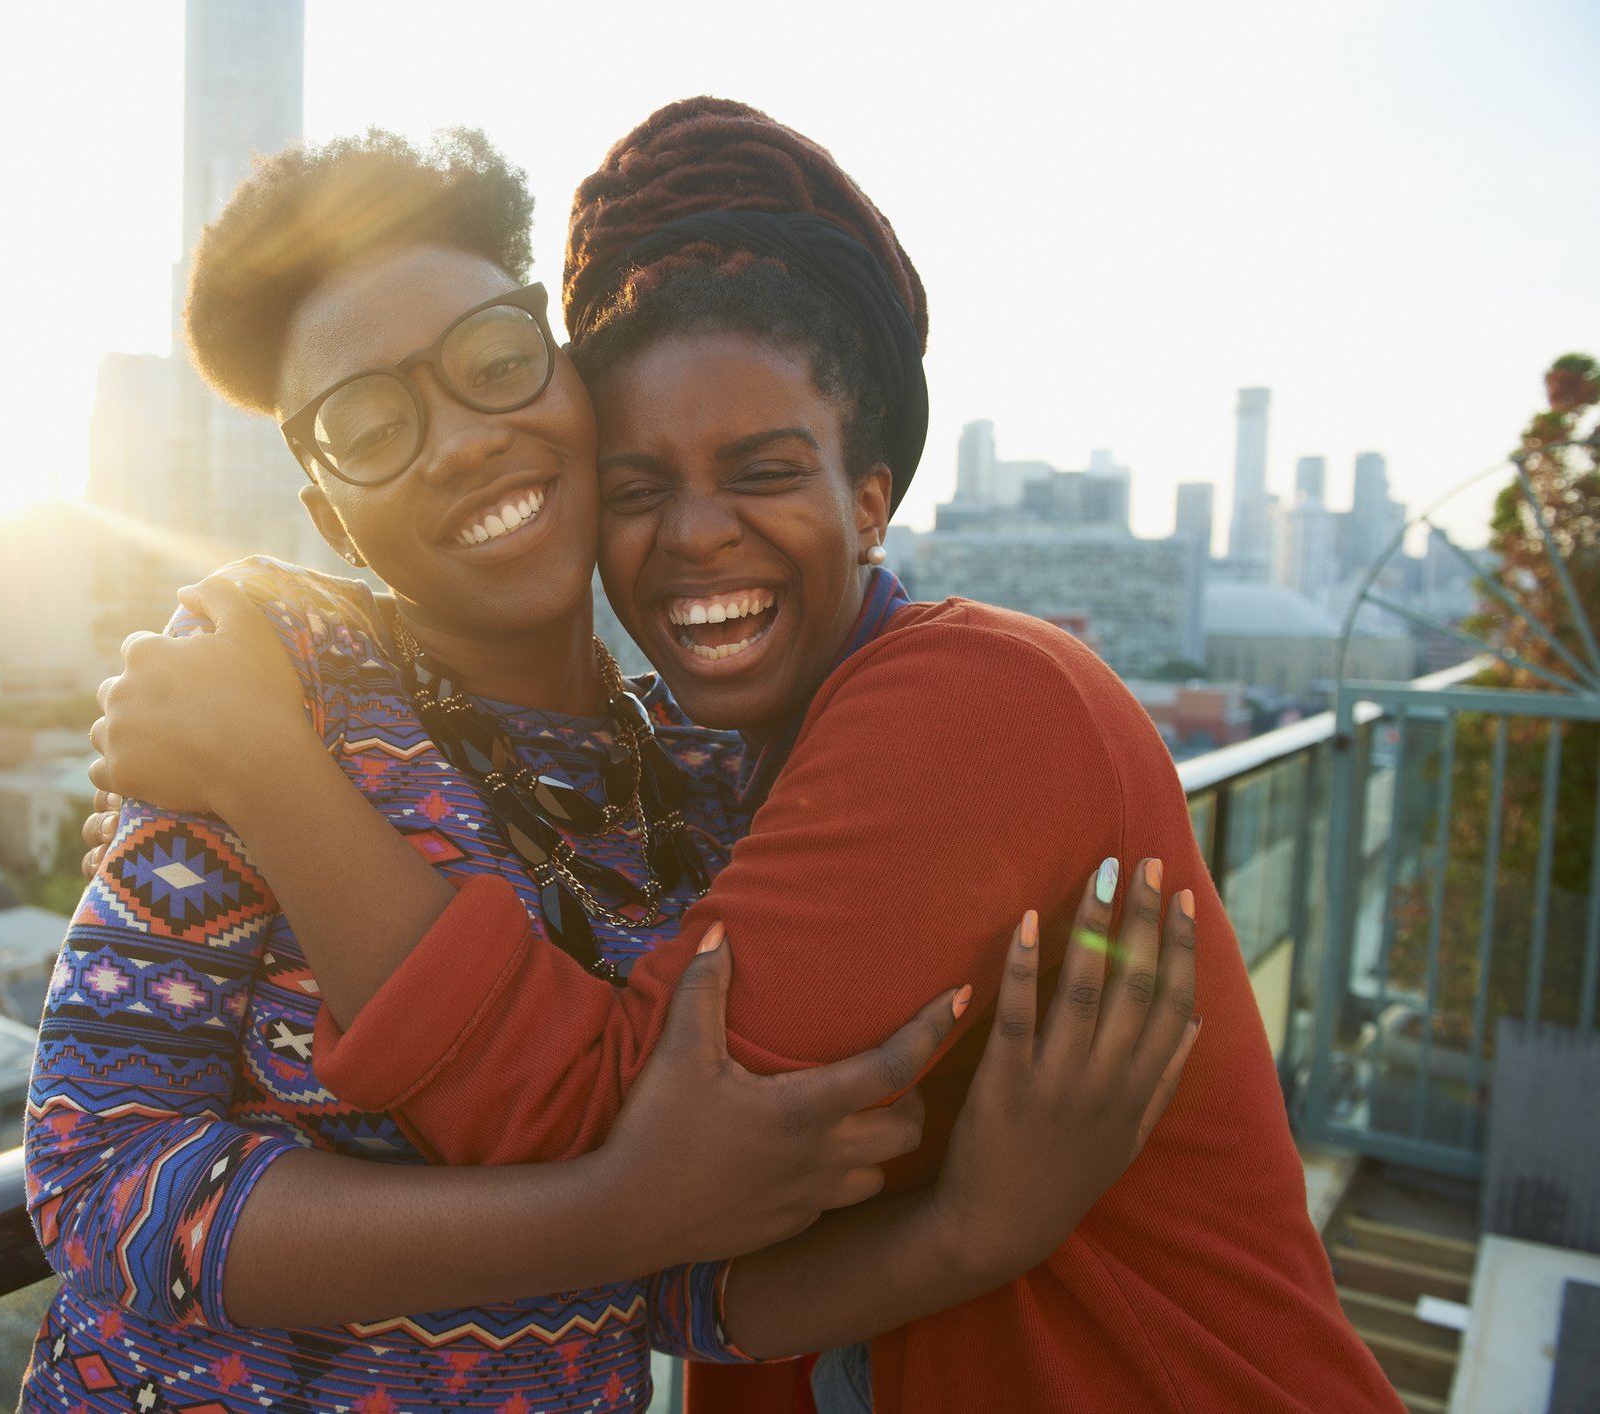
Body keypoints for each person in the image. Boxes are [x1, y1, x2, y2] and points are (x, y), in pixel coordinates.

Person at [81, 100, 1404, 1412]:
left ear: (870, 496)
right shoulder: (665, 763)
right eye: (643, 485)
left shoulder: (942, 709)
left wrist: (269, 773)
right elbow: (103, 1176)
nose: (697, 533)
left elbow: (635, 1159)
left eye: (763, 468)